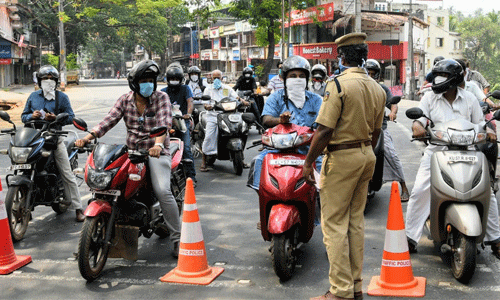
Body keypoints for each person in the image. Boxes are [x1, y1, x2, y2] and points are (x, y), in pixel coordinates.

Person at [302, 33, 386, 300]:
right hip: (365, 155)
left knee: (334, 225)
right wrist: (362, 151)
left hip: (341, 157)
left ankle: (339, 292)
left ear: (341, 57)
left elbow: (324, 130)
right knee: (354, 224)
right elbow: (376, 133)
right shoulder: (376, 87)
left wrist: (307, 162)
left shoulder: (336, 85)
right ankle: (355, 287)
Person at [74, 60, 181, 257]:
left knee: (163, 191)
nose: (148, 84)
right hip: (132, 153)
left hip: (155, 152)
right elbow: (108, 120)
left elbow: (164, 123)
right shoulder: (125, 100)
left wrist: (157, 145)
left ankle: (177, 239)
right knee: (109, 186)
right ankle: (90, 239)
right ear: (134, 83)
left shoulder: (161, 98)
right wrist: (88, 137)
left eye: (151, 80)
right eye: (144, 81)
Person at [405, 59, 500, 259]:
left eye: (444, 76)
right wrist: (418, 127)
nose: (438, 80)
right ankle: (410, 238)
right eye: (437, 76)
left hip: (469, 150)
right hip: (438, 150)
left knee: (487, 192)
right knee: (421, 190)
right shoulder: (430, 98)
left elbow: (481, 123)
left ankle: (496, 240)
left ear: (455, 79)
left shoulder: (469, 99)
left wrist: (489, 131)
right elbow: (419, 120)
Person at [247, 55, 323, 192]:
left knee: (324, 174)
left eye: (301, 76)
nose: (297, 79)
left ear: (307, 79)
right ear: (285, 78)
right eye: (293, 76)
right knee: (259, 161)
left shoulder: (317, 100)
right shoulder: (275, 97)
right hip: (279, 149)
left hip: (310, 151)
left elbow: (325, 124)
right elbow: (266, 119)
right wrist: (280, 120)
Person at [21, 65, 84, 222]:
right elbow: (23, 116)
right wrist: (31, 116)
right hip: (34, 138)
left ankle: (78, 208)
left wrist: (55, 118)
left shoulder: (62, 97)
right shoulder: (33, 96)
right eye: (45, 79)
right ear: (40, 81)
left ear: (56, 81)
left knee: (67, 173)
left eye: (51, 79)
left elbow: (71, 117)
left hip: (55, 138)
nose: (48, 81)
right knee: (25, 168)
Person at [365, 59, 410, 202]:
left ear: (378, 75)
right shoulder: (359, 88)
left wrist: (393, 112)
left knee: (391, 155)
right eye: (368, 73)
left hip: (380, 130)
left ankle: (404, 187)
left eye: (373, 74)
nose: (370, 76)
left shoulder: (382, 89)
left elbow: (393, 104)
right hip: (361, 130)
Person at [200, 69, 249, 172]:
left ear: (222, 78)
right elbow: (205, 102)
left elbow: (236, 97)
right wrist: (207, 106)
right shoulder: (208, 89)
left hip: (227, 114)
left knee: (239, 131)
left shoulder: (227, 88)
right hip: (213, 116)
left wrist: (243, 101)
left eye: (218, 77)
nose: (217, 79)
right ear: (211, 79)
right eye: (215, 78)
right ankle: (204, 162)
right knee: (209, 136)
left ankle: (241, 159)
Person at [160, 64, 197, 185]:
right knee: (161, 147)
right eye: (172, 79)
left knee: (186, 148)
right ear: (167, 80)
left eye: (176, 79)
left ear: (181, 79)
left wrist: (188, 114)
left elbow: (190, 101)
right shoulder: (163, 92)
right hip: (167, 123)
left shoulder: (186, 89)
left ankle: (191, 176)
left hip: (182, 121)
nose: (174, 81)